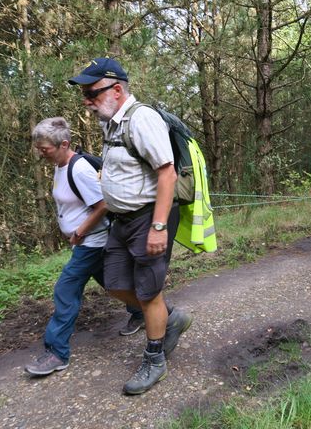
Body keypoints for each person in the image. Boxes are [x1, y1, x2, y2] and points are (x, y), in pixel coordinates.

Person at [68, 58, 192, 395]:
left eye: (91, 93)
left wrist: (159, 226)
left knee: (148, 292)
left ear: (117, 89)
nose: (87, 101)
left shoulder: (142, 120)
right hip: (121, 221)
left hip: (148, 218)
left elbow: (166, 173)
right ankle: (170, 318)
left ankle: (154, 360)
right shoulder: (111, 123)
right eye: (85, 94)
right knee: (115, 285)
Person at [26, 118, 143, 376]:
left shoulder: (78, 169)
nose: (40, 152)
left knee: (65, 290)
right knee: (116, 285)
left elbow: (102, 205)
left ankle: (57, 352)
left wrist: (79, 231)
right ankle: (150, 313)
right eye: (39, 148)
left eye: (44, 148)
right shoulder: (60, 165)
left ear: (63, 144)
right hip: (89, 242)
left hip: (92, 242)